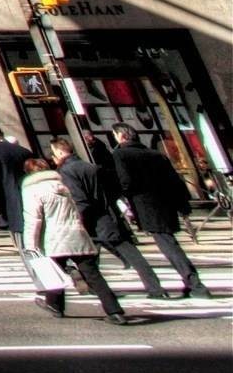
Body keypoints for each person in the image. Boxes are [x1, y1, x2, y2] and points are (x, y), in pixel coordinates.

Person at [19, 156, 128, 323]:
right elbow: (76, 211)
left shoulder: (32, 190)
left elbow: (34, 219)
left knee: (52, 272)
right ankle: (114, 311)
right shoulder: (62, 186)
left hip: (53, 238)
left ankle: (55, 305)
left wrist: (30, 245)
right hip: (75, 234)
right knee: (93, 274)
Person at [52, 138, 166, 298]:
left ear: (60, 152)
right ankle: (155, 288)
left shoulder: (66, 171)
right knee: (128, 255)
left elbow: (80, 199)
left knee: (92, 258)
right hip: (108, 216)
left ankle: (98, 289)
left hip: (91, 221)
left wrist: (76, 220)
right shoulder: (91, 167)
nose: (53, 157)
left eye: (54, 153)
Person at [110, 128, 212, 299]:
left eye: (114, 135)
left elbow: (125, 181)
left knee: (168, 245)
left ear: (121, 136)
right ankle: (190, 283)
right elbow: (174, 180)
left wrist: (124, 200)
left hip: (146, 204)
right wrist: (183, 205)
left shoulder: (121, 155)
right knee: (170, 242)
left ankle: (196, 284)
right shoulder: (156, 155)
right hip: (167, 202)